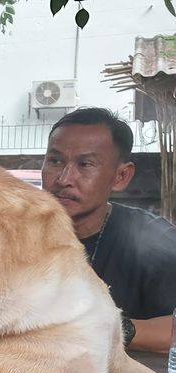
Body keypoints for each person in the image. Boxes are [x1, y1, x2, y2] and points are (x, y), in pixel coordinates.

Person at [41, 107, 176, 353]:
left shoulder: (155, 240)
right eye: (55, 161)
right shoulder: (13, 232)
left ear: (121, 176)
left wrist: (111, 328)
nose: (64, 179)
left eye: (85, 164)